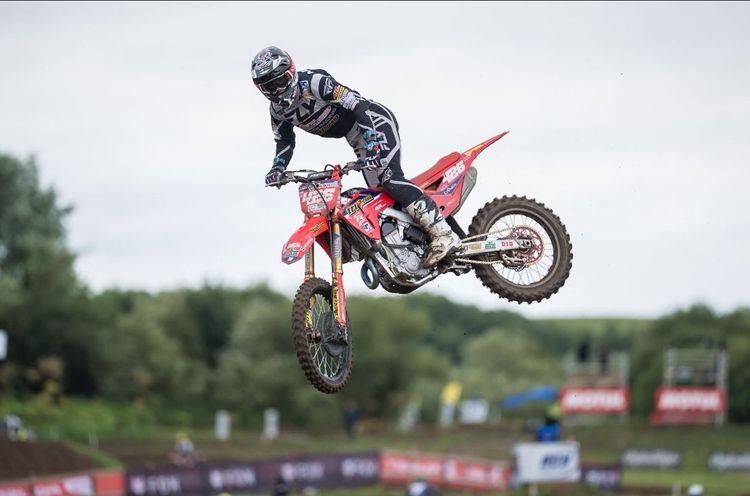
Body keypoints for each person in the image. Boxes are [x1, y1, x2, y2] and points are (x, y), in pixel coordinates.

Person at [251, 46, 461, 267]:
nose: (276, 89)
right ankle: (410, 247)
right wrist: (277, 168)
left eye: (279, 81)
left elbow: (357, 103)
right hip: (356, 138)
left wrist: (373, 144)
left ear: (291, 72)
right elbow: (284, 141)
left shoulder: (315, 82)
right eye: (268, 86)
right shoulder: (277, 111)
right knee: (379, 198)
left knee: (390, 180)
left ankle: (444, 234)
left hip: (374, 122)